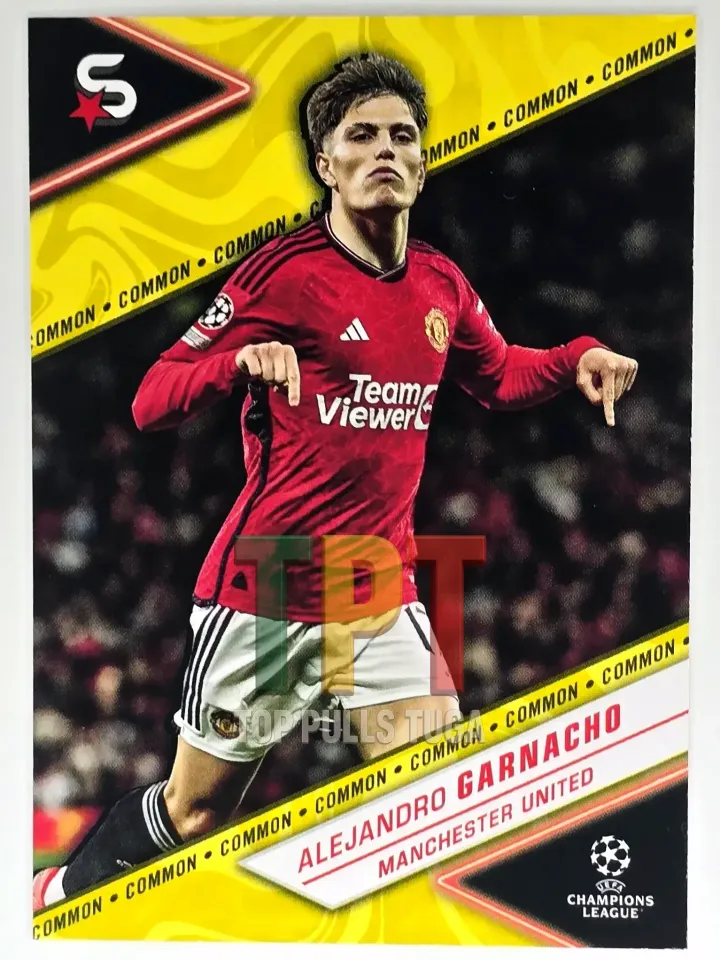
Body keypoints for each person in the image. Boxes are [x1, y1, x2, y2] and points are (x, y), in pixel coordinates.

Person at [34, 52, 637, 910]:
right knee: (194, 815)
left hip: (378, 591)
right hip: (267, 590)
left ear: (423, 161)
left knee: (439, 804)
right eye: (362, 135)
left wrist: (577, 356)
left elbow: (500, 374)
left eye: (402, 135)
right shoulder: (281, 275)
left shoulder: (440, 284)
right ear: (326, 163)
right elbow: (150, 399)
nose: (385, 149)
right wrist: (236, 362)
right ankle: (61, 895)